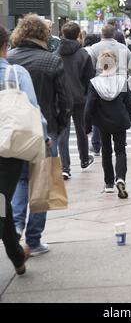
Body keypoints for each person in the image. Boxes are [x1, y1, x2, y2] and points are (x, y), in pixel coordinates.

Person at [8, 14, 71, 257]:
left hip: (16, 129)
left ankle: (14, 227)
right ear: (43, 35)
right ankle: (34, 240)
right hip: (46, 131)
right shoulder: (52, 61)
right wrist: (59, 125)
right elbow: (64, 100)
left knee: (21, 181)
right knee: (41, 184)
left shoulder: (10, 59)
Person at [0, 25, 50, 274]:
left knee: (2, 203)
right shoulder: (15, 73)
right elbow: (32, 109)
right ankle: (17, 256)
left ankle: (17, 256)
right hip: (9, 149)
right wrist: (45, 137)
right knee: (1, 201)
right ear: (4, 46)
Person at [84, 50, 131, 198]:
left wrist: (87, 125)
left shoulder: (95, 83)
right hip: (119, 120)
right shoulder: (122, 81)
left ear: (100, 64)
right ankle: (120, 178)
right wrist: (127, 117)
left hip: (102, 122)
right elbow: (130, 103)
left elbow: (89, 107)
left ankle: (109, 184)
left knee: (106, 151)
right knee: (120, 150)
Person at [56, 22, 95, 179]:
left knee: (63, 133)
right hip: (79, 98)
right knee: (81, 130)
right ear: (78, 34)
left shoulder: (56, 53)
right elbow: (89, 78)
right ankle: (84, 159)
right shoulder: (83, 54)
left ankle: (65, 167)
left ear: (62, 34)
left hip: (61, 98)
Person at [83, 33, 102, 155]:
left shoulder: (82, 51)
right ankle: (96, 144)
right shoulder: (97, 51)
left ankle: (92, 144)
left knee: (86, 113)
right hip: (97, 84)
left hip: (83, 87)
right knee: (96, 114)